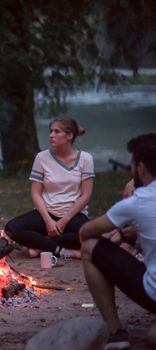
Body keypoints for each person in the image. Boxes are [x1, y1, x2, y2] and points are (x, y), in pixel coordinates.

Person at [79, 133, 156, 349]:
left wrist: (120, 234)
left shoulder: (138, 202)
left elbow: (86, 231)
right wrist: (127, 234)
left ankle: (115, 333)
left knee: (90, 248)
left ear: (140, 168)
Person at [5, 116, 94, 259]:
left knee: (91, 236)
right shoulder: (42, 158)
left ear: (69, 135)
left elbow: (86, 195)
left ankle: (40, 245)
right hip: (47, 213)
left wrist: (64, 220)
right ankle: (63, 251)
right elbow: (35, 193)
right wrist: (48, 220)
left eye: (57, 132)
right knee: (12, 229)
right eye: (50, 131)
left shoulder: (85, 159)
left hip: (73, 215)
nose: (51, 135)